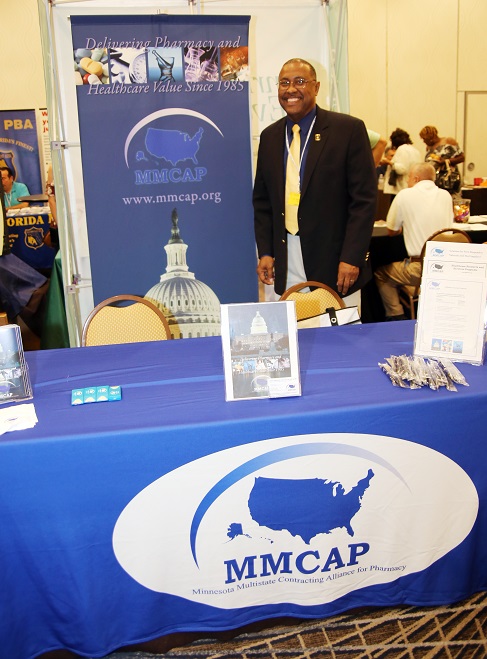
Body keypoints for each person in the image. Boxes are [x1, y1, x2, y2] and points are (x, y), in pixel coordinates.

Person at [253, 58, 377, 303]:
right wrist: (266, 251)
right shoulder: (270, 137)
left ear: (316, 87)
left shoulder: (348, 130)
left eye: (300, 81)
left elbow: (364, 201)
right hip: (286, 258)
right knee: (294, 325)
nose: (291, 89)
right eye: (284, 83)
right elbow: (263, 202)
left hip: (337, 264)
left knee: (340, 327)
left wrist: (352, 257)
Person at [374, 162, 453, 320]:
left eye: (409, 178)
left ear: (416, 179)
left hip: (420, 268)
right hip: (447, 266)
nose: (407, 181)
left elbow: (391, 230)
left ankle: (396, 316)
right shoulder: (446, 195)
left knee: (381, 273)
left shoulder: (404, 195)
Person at [419, 125, 464, 194]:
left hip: (449, 178)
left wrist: (445, 161)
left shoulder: (448, 141)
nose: (424, 141)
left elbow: (462, 158)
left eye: (425, 139)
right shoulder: (429, 147)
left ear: (431, 138)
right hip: (435, 180)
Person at [382, 128, 421, 197]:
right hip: (412, 187)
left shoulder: (402, 149)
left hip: (401, 188)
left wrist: (388, 162)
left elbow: (401, 169)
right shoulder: (415, 150)